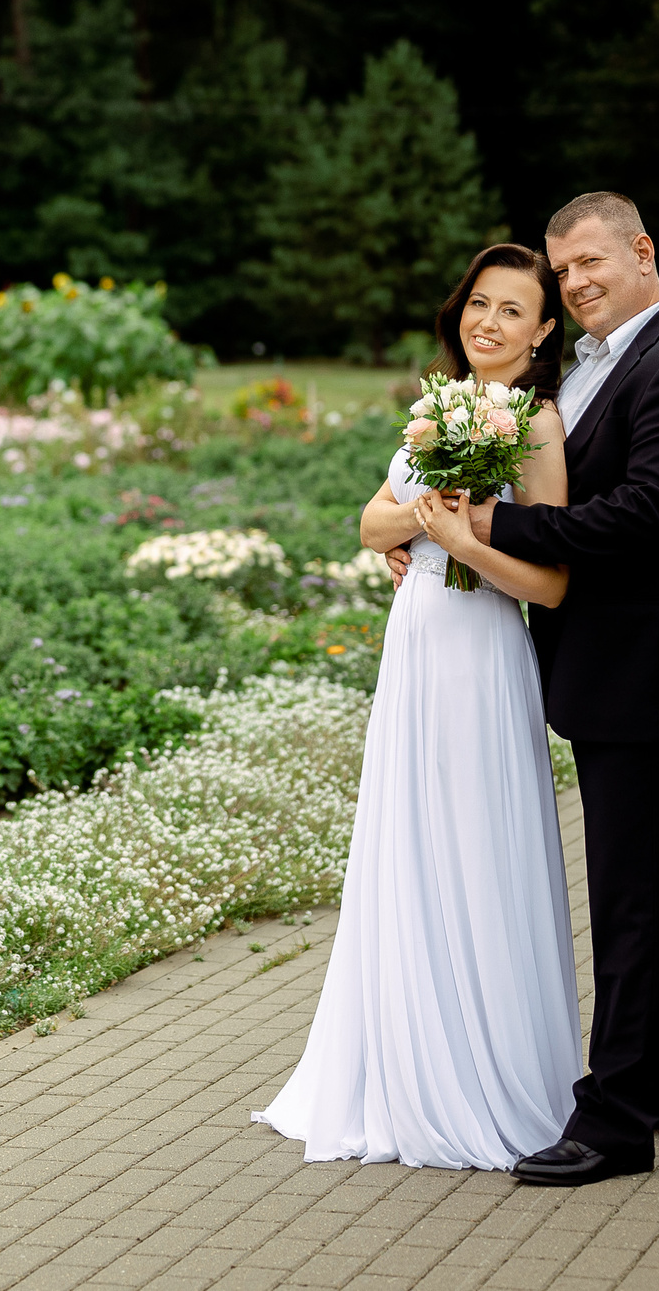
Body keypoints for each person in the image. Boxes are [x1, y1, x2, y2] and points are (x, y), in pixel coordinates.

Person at [251, 242, 584, 1170]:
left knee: (475, 845)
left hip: (481, 652)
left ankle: (483, 1073)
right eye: (480, 303)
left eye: (513, 310)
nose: (490, 322)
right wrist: (424, 519)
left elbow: (552, 582)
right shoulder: (439, 406)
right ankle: (398, 1062)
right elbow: (371, 522)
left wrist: (460, 541)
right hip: (415, 648)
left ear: (542, 331)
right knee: (409, 841)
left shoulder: (538, 423)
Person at [459, 191, 659, 1186]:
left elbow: (641, 516)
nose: (575, 281)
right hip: (609, 666)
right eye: (562, 269)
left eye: (590, 261)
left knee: (632, 895)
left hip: (645, 669)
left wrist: (488, 527)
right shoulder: (588, 367)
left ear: (642, 250)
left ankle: (616, 1120)